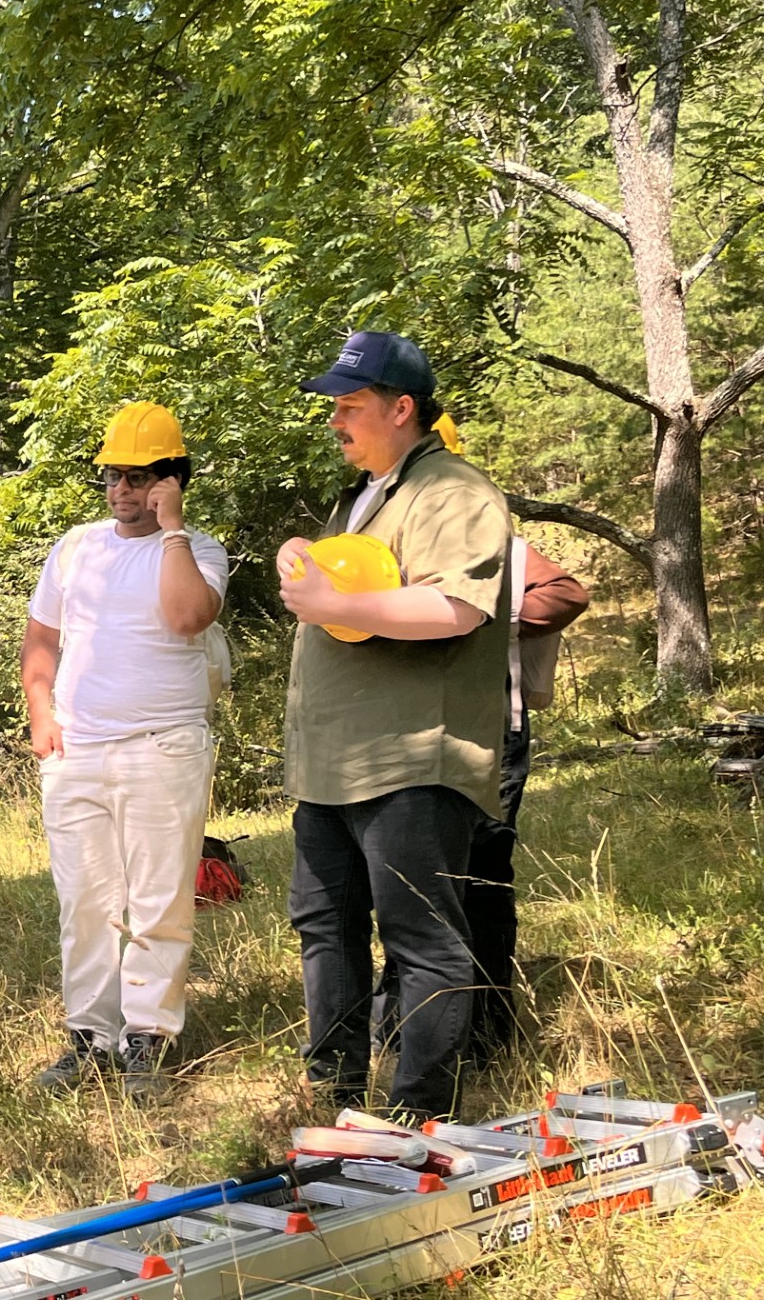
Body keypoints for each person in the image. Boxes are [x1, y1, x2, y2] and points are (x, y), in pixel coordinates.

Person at [279, 332, 511, 1121]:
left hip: (411, 759)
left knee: (420, 937)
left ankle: (420, 1112)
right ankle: (334, 1099)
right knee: (324, 928)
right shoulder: (366, 494)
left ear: (402, 407)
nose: (335, 421)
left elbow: (453, 607)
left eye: (350, 405)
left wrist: (336, 606)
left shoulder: (453, 491)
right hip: (332, 765)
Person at [19, 403, 229, 1095]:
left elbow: (186, 616)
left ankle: (148, 1039)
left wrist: (169, 532)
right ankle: (90, 1039)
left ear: (173, 480)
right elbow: (41, 637)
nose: (120, 491)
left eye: (139, 478)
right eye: (112, 476)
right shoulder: (76, 546)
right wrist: (41, 715)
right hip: (76, 750)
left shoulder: (199, 550)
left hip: (162, 747)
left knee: (158, 900)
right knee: (83, 901)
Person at [374, 417, 591, 1062]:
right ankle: (408, 1022)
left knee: (484, 874)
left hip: (492, 731)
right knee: (413, 882)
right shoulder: (382, 537)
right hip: (411, 736)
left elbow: (566, 592)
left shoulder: (494, 540)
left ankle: (490, 1027)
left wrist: (492, 620)